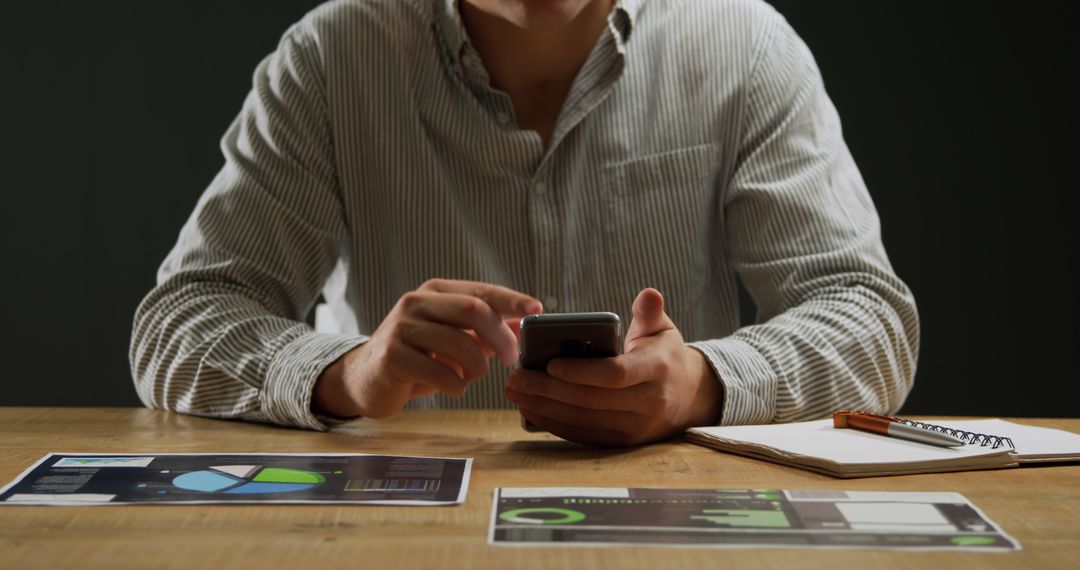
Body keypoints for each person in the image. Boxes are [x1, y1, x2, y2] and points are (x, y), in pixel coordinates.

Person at [130, 0, 919, 447]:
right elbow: (177, 325)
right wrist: (347, 374)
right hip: (396, 536)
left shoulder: (741, 43)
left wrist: (701, 385)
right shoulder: (334, 56)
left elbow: (871, 320)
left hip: (670, 526)